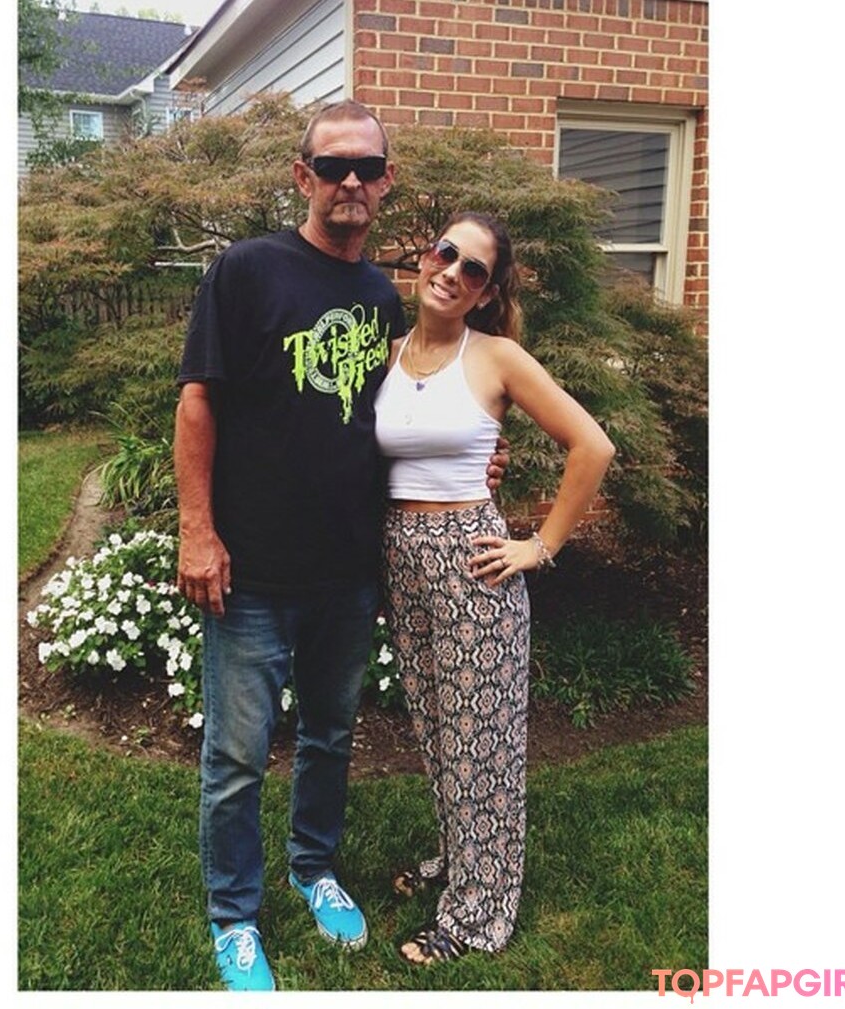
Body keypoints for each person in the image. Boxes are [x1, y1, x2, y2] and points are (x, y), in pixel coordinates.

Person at [173, 103, 506, 991]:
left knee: (329, 736)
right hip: (249, 571)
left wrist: (478, 454)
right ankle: (234, 915)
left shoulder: (382, 299)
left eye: (366, 167)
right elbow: (198, 400)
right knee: (237, 758)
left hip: (348, 572)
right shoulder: (247, 270)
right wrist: (198, 530)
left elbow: (402, 416)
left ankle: (312, 867)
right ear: (303, 177)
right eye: (332, 167)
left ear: (386, 180)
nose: (349, 181)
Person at [375, 211, 616, 964]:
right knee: (437, 728)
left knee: (483, 740)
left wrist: (539, 546)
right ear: (426, 258)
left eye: (473, 269)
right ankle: (460, 857)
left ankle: (478, 914)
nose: (452, 271)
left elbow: (592, 445)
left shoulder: (497, 357)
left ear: (484, 292)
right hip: (401, 558)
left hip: (473, 563)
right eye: (445, 252)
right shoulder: (388, 353)